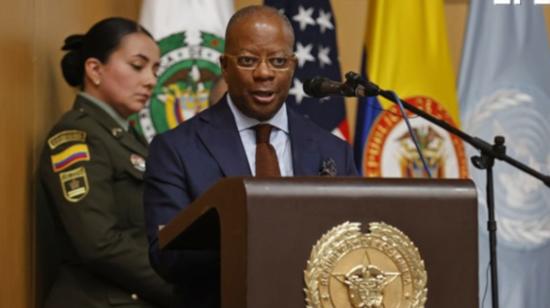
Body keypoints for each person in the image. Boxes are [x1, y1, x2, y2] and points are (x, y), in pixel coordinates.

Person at [143, 5, 358, 307]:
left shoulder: (333, 150)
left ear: (293, 66)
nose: (264, 73)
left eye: (278, 61)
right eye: (247, 60)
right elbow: (166, 257)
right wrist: (261, 246)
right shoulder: (176, 149)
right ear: (224, 66)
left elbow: (355, 244)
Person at [37, 17, 172, 307]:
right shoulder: (77, 136)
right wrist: (180, 286)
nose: (150, 80)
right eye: (138, 66)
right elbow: (99, 244)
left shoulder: (127, 137)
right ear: (95, 70)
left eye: (155, 69)